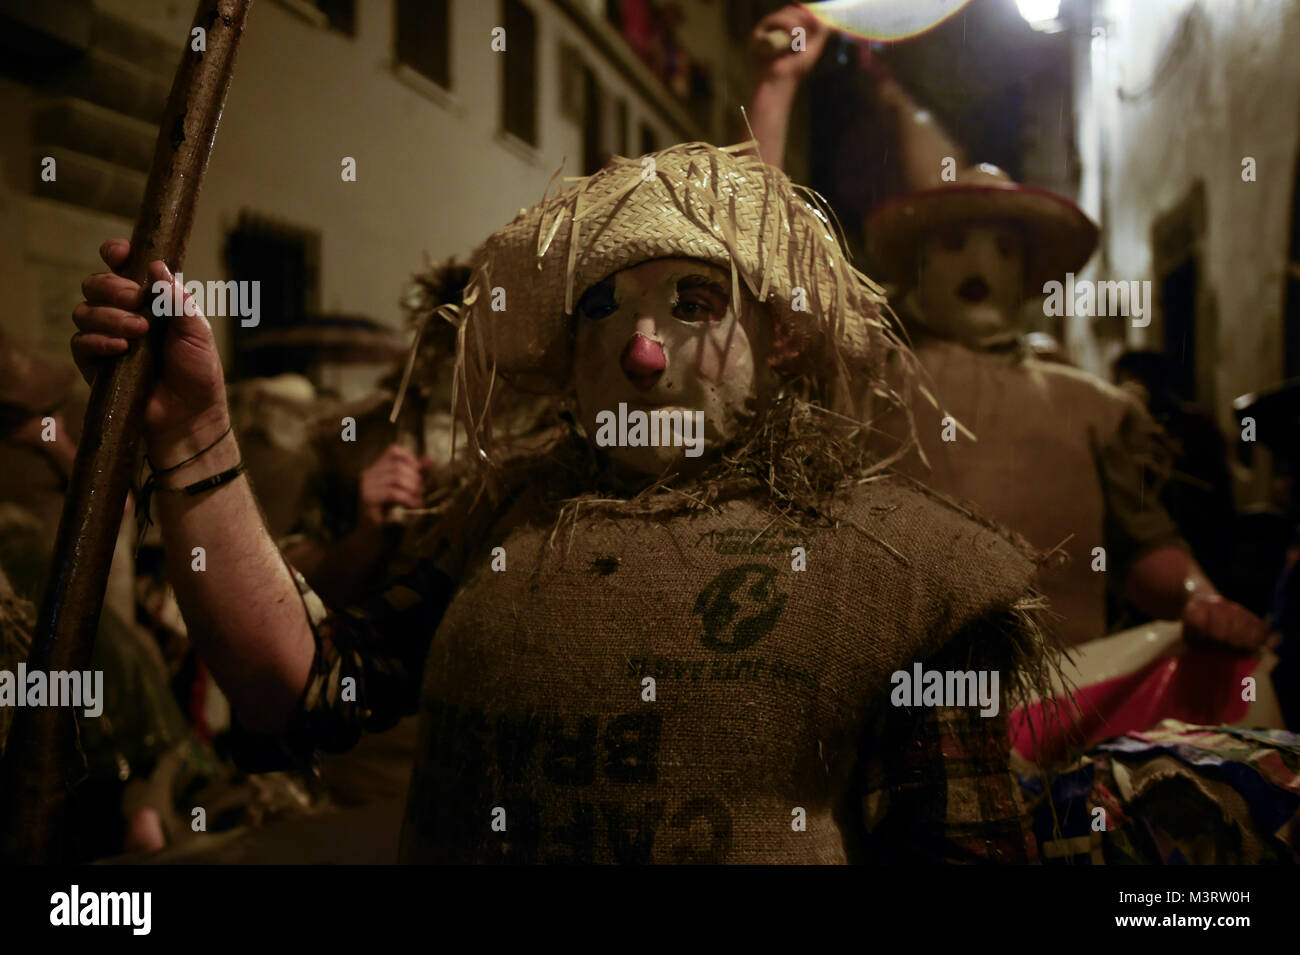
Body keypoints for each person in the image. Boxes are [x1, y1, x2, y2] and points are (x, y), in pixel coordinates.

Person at [72, 142, 1061, 863]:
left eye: (693, 303)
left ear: (782, 338)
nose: (641, 349)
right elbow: (294, 682)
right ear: (571, 363)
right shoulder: (500, 532)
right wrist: (192, 435)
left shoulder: (898, 577)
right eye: (604, 308)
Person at [861, 164, 1269, 654]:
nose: (979, 264)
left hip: (1057, 706)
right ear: (920, 263)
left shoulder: (1091, 407)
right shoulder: (864, 382)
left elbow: (1138, 544)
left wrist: (1201, 601)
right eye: (954, 243)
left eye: (1004, 250)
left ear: (1025, 276)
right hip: (891, 699)